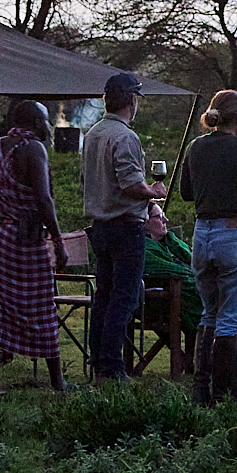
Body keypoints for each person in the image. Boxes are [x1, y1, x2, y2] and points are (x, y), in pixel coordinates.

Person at [0, 99, 68, 393]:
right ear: (35, 123)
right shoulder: (33, 149)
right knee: (40, 306)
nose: (48, 125)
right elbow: (44, 200)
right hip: (23, 239)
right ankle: (58, 381)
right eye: (45, 120)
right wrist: (58, 241)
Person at [182, 89, 237, 405]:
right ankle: (223, 396)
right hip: (232, 233)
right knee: (232, 317)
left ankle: (200, 391)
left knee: (209, 314)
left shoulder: (195, 147)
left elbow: (186, 193)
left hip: (202, 235)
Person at [82, 71, 165, 385]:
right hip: (126, 228)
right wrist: (153, 193)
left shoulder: (93, 134)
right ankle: (112, 368)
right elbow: (130, 184)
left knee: (104, 296)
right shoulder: (125, 136)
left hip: (100, 225)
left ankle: (99, 363)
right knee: (124, 298)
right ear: (132, 100)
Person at [142, 200, 205, 352]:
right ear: (145, 223)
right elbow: (173, 272)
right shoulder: (145, 249)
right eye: (160, 216)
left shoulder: (170, 243)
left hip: (192, 293)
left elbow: (197, 261)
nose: (166, 220)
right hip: (168, 302)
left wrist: (172, 240)